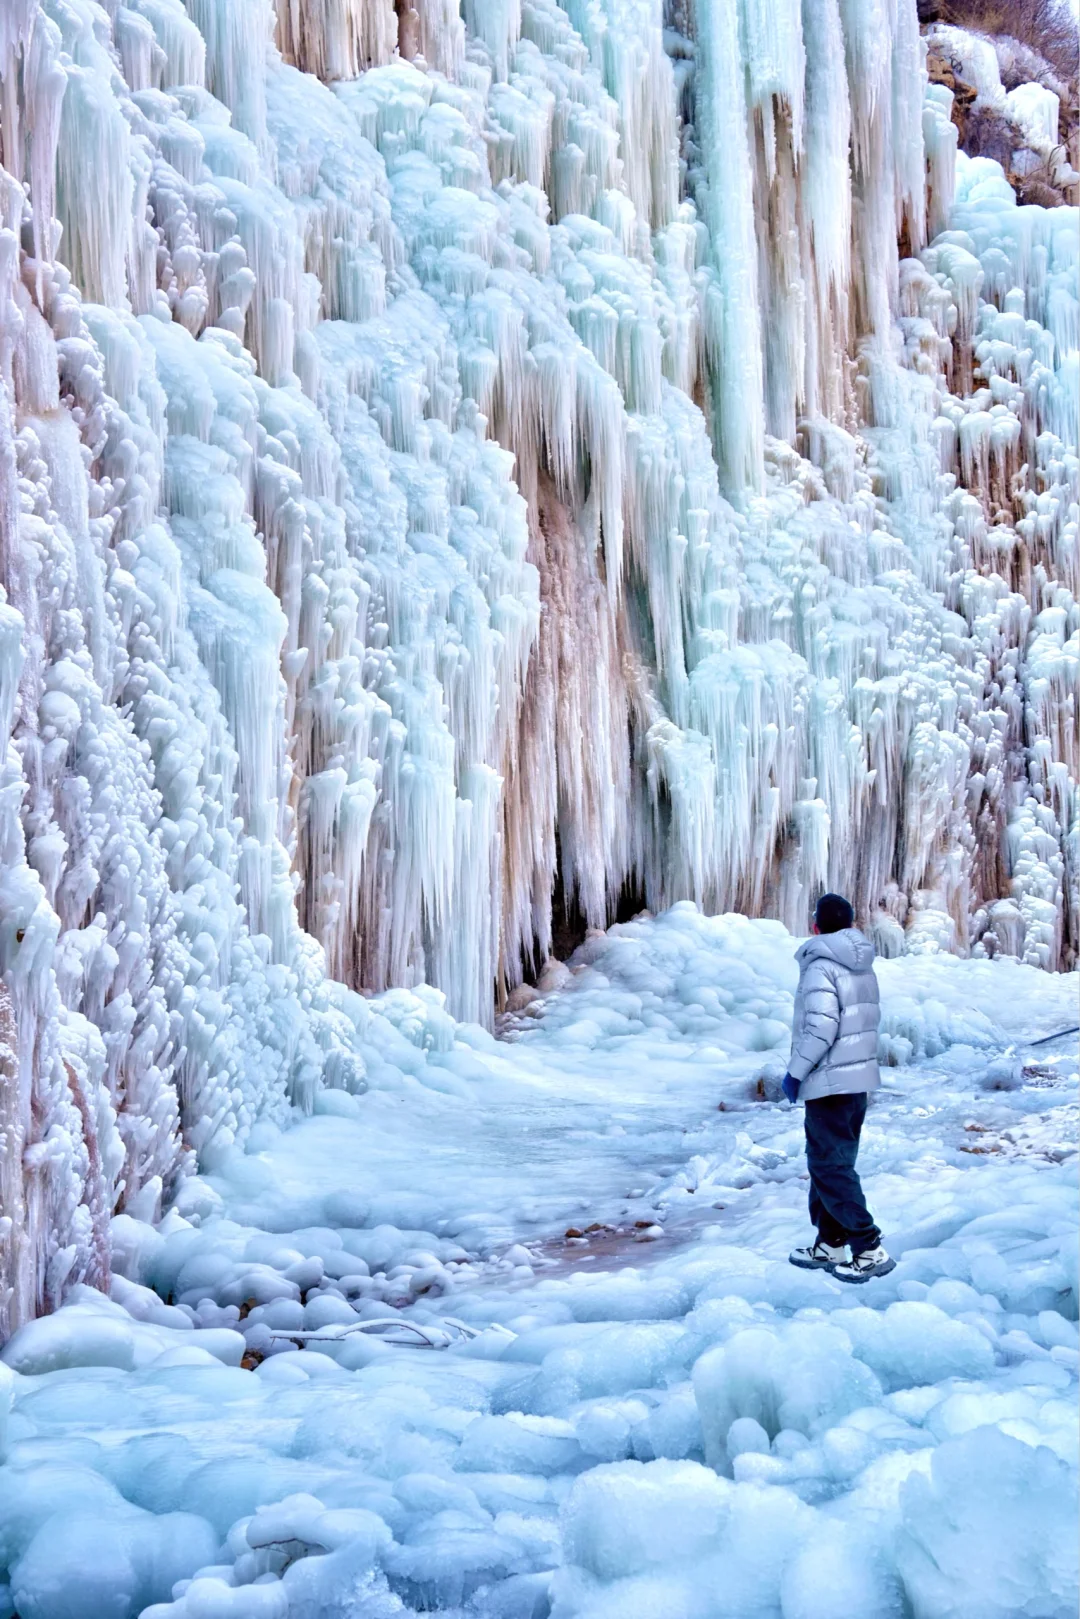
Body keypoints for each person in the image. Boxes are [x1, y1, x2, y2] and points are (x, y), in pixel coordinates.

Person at [782, 893, 895, 1283]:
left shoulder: (820, 966)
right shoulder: (861, 965)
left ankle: (867, 1247)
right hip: (856, 1082)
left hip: (829, 1082)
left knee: (828, 1166)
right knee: (833, 1164)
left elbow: (821, 1027)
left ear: (816, 925)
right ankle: (830, 1242)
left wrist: (795, 1072)